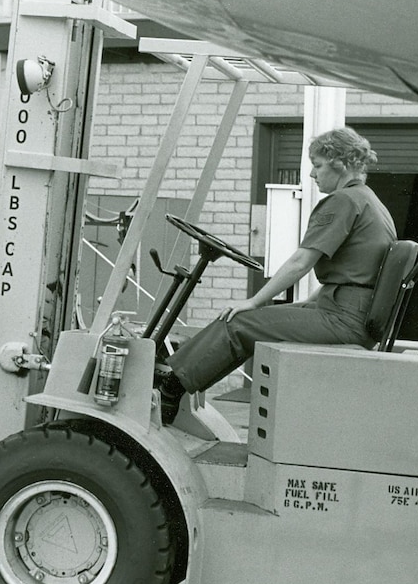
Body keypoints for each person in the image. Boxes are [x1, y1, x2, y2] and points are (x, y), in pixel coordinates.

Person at [159, 127, 397, 424]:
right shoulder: (370, 200)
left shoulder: (343, 202)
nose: (312, 174)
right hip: (349, 313)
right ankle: (181, 380)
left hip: (342, 319)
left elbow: (301, 262)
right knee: (252, 323)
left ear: (340, 163)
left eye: (318, 165)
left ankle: (168, 389)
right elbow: (350, 274)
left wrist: (255, 301)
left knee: (238, 322)